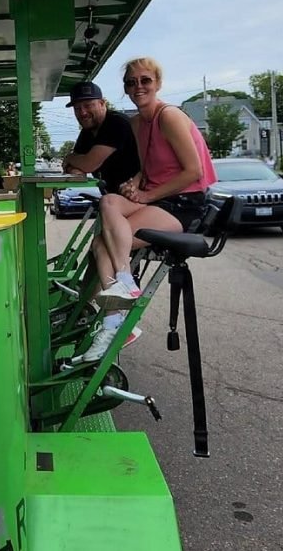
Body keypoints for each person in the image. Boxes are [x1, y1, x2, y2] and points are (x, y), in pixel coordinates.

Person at [81, 57, 217, 362]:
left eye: (145, 80)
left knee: (105, 241)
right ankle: (123, 288)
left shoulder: (169, 117)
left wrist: (147, 195)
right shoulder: (136, 123)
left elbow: (192, 171)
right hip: (157, 197)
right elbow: (146, 167)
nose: (137, 87)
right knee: (109, 202)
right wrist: (135, 185)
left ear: (157, 83)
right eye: (131, 82)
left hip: (184, 202)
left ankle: (117, 316)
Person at [62, 81, 140, 195]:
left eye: (88, 105)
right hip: (114, 196)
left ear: (102, 103)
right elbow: (74, 165)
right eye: (77, 108)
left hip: (138, 195)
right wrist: (74, 167)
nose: (83, 112)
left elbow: (89, 164)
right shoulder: (87, 131)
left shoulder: (116, 123)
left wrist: (69, 158)